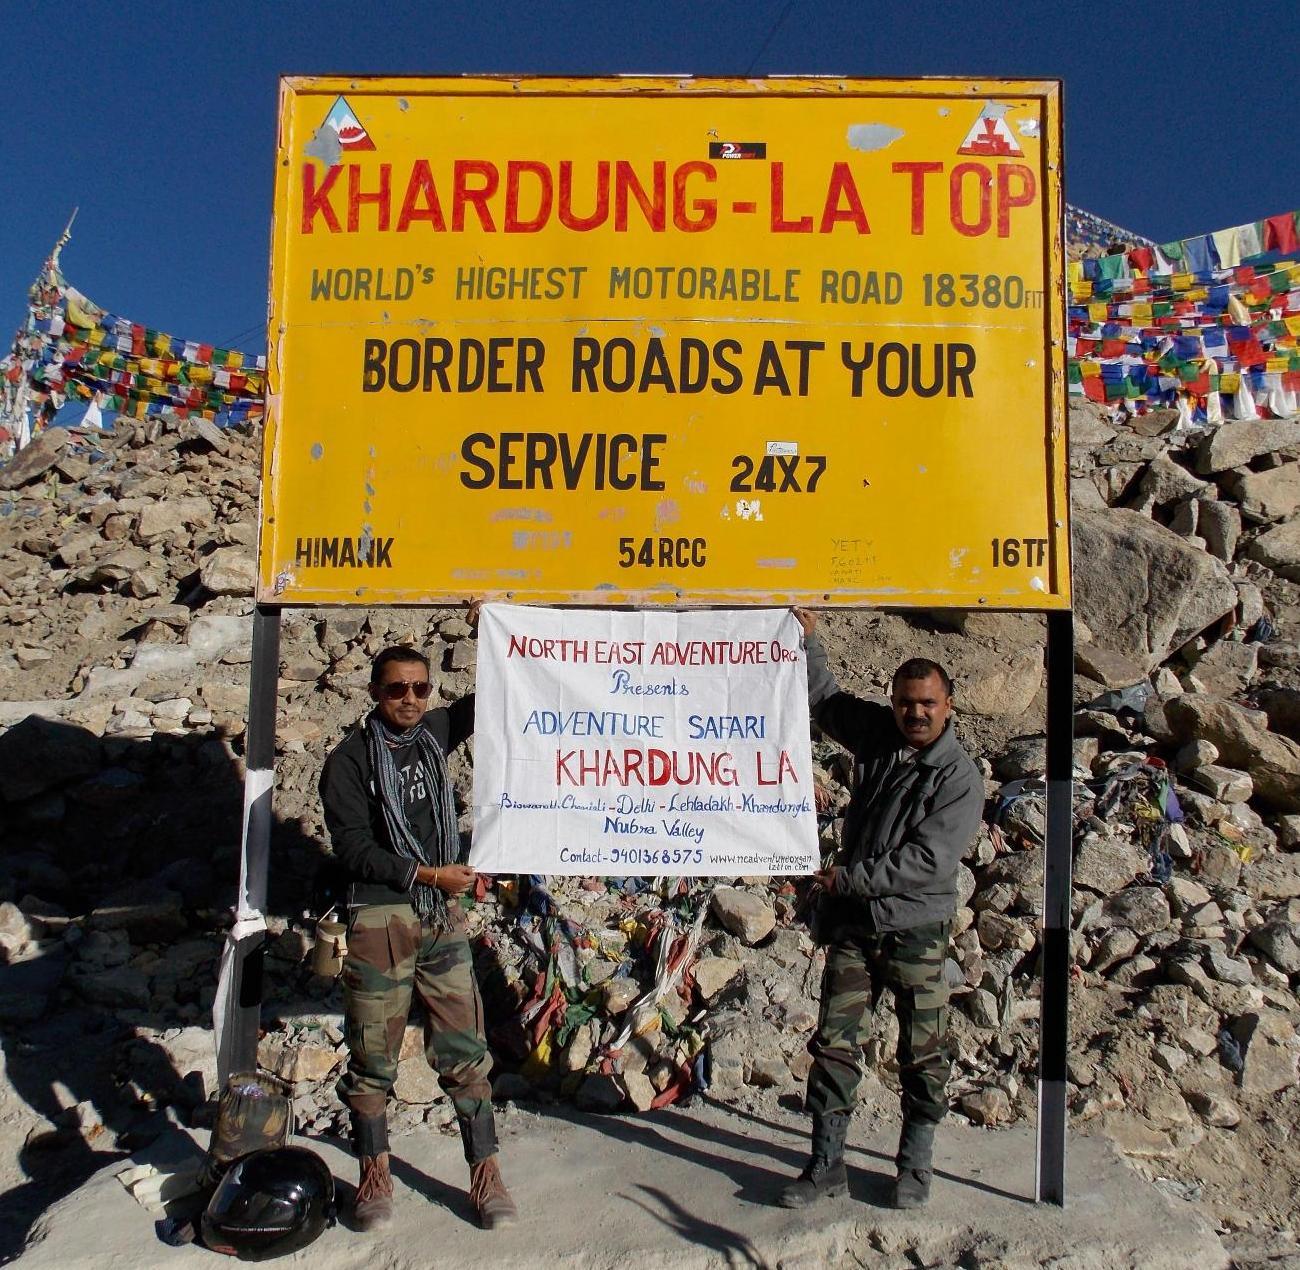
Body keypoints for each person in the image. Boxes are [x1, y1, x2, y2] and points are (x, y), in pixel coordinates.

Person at [780, 609, 983, 1211]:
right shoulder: (877, 735)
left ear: (948, 706)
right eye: (904, 702)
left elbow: (928, 862)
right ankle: (825, 1164)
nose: (914, 713)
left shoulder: (958, 777)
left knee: (922, 1052)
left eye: (926, 703)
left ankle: (915, 1168)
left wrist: (848, 878)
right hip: (854, 927)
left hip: (915, 930)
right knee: (834, 1044)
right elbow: (826, 702)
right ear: (892, 702)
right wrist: (810, 643)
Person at [318, 640, 517, 1231]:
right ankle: (374, 1175)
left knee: (465, 1050)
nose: (409, 699)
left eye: (420, 688)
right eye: (396, 689)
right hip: (381, 918)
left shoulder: (432, 734)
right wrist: (428, 873)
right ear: (374, 692)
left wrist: (498, 633)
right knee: (372, 1055)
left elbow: (494, 701)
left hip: (441, 918)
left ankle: (486, 1173)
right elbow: (352, 846)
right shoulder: (348, 761)